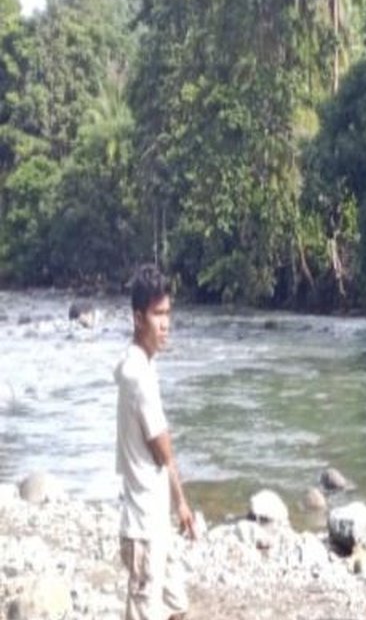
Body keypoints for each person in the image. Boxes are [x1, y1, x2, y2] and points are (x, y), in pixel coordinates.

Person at [115, 264, 197, 620]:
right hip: (144, 527)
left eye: (168, 314)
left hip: (155, 519)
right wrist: (182, 502)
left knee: (177, 605)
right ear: (138, 318)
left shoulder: (140, 365)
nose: (166, 325)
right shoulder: (139, 378)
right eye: (157, 315)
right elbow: (164, 451)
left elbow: (162, 454)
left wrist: (177, 506)